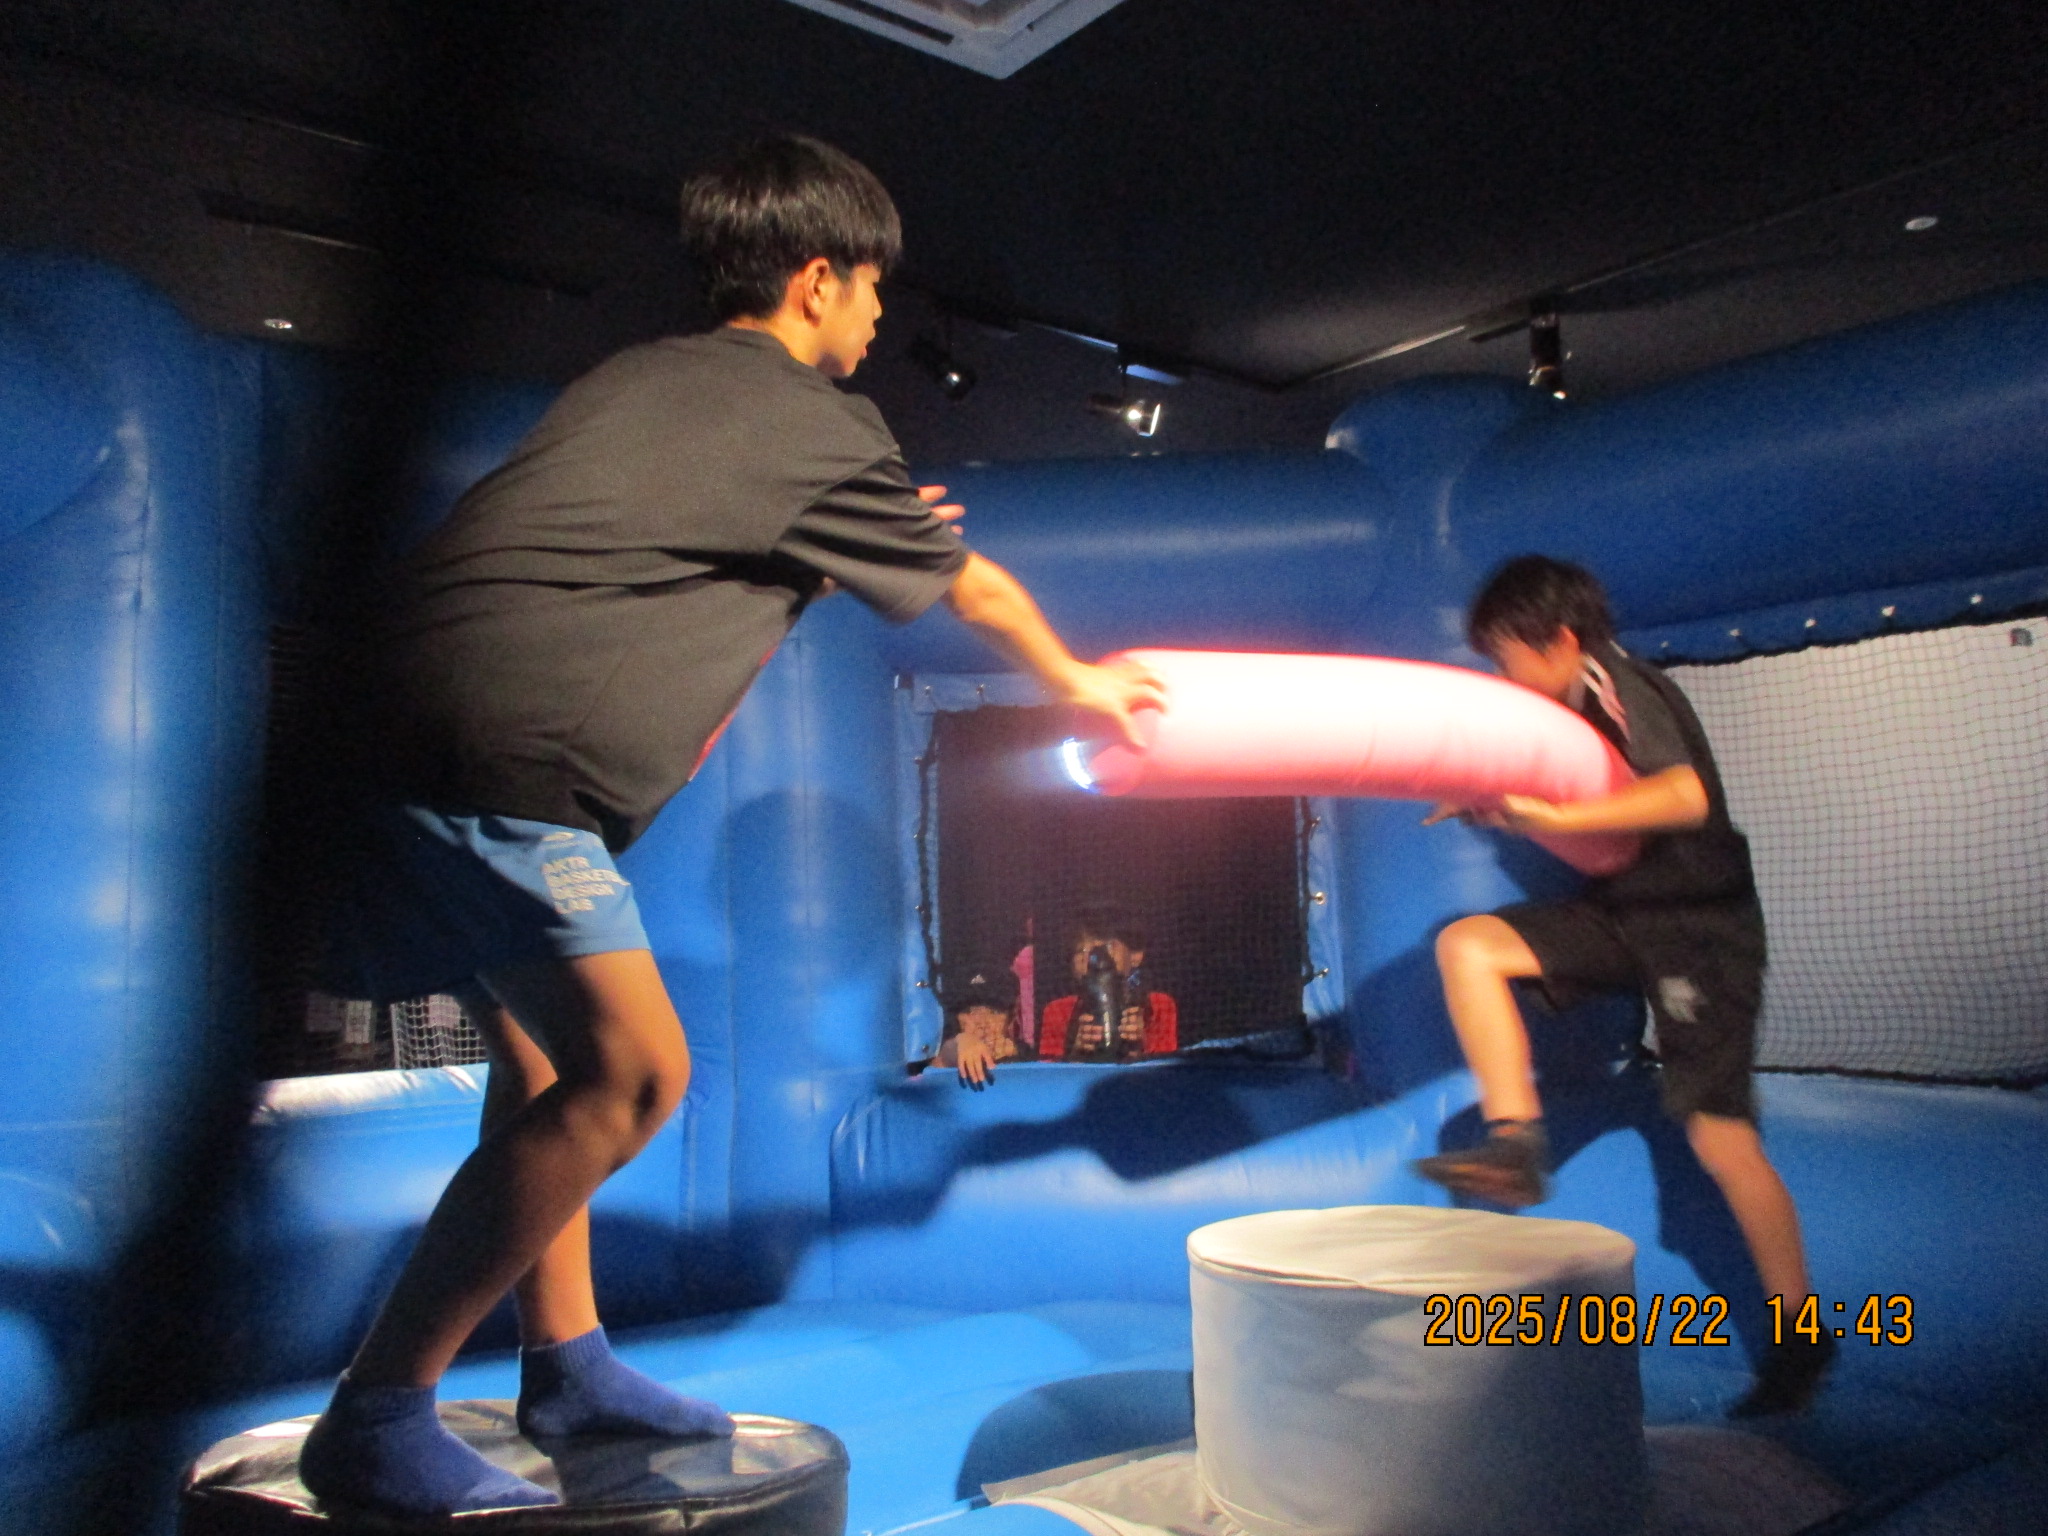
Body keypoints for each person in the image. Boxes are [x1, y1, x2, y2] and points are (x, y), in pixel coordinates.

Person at [298, 135, 1164, 1516]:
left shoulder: (635, 382)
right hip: (497, 764)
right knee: (637, 1074)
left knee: (542, 1053)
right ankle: (376, 1411)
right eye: (871, 287)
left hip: (381, 740)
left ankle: (567, 1366)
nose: (878, 318)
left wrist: (813, 568)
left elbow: (646, 588)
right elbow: (977, 589)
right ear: (816, 280)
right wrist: (1081, 680)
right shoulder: (816, 420)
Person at [1415, 555, 1830, 1416]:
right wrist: (1494, 805)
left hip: (1698, 928)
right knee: (1469, 946)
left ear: (1562, 642)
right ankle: (1517, 1143)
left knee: (1721, 1143)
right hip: (1620, 912)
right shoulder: (1560, 715)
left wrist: (1560, 817)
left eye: (1509, 658)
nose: (1506, 678)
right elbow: (1565, 810)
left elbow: (1682, 796)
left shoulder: (1623, 684)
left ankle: (1801, 1336)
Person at [1037, 910, 1178, 1060]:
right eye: (1081, 950)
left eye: (1108, 946)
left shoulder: (1159, 1006)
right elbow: (1048, 1070)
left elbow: (1168, 1068)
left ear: (1135, 955)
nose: (1095, 958)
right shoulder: (1057, 1011)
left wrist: (1141, 1046)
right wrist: (1075, 1054)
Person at [936, 970, 1035, 1087]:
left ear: (1011, 1018)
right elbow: (934, 1067)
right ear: (956, 1018)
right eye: (970, 1011)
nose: (982, 1023)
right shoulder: (941, 1050)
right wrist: (959, 1044)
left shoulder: (1028, 1058)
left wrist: (1014, 1059)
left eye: (994, 1012)